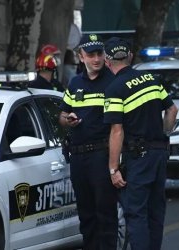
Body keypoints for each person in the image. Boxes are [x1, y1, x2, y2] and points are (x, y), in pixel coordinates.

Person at [103, 37, 178, 250]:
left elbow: (116, 131)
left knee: (136, 213)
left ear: (108, 62)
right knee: (156, 211)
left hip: (138, 158)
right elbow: (172, 110)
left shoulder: (115, 88)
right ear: (130, 56)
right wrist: (164, 132)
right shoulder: (151, 79)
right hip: (159, 154)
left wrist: (113, 169)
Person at [58, 34, 118, 250]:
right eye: (90, 55)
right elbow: (62, 116)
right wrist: (69, 119)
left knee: (105, 213)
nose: (96, 59)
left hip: (102, 154)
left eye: (99, 53)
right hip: (79, 157)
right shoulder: (75, 83)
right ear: (80, 56)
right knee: (86, 213)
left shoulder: (112, 82)